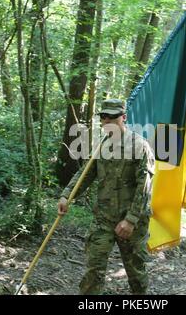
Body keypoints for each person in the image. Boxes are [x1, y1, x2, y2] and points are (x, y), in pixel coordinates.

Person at [58, 99, 155, 295]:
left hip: (132, 223)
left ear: (124, 118)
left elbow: (145, 187)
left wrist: (130, 220)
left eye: (113, 117)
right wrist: (67, 195)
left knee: (136, 274)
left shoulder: (140, 146)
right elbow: (84, 174)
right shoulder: (100, 146)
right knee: (93, 270)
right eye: (104, 117)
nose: (108, 121)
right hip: (103, 219)